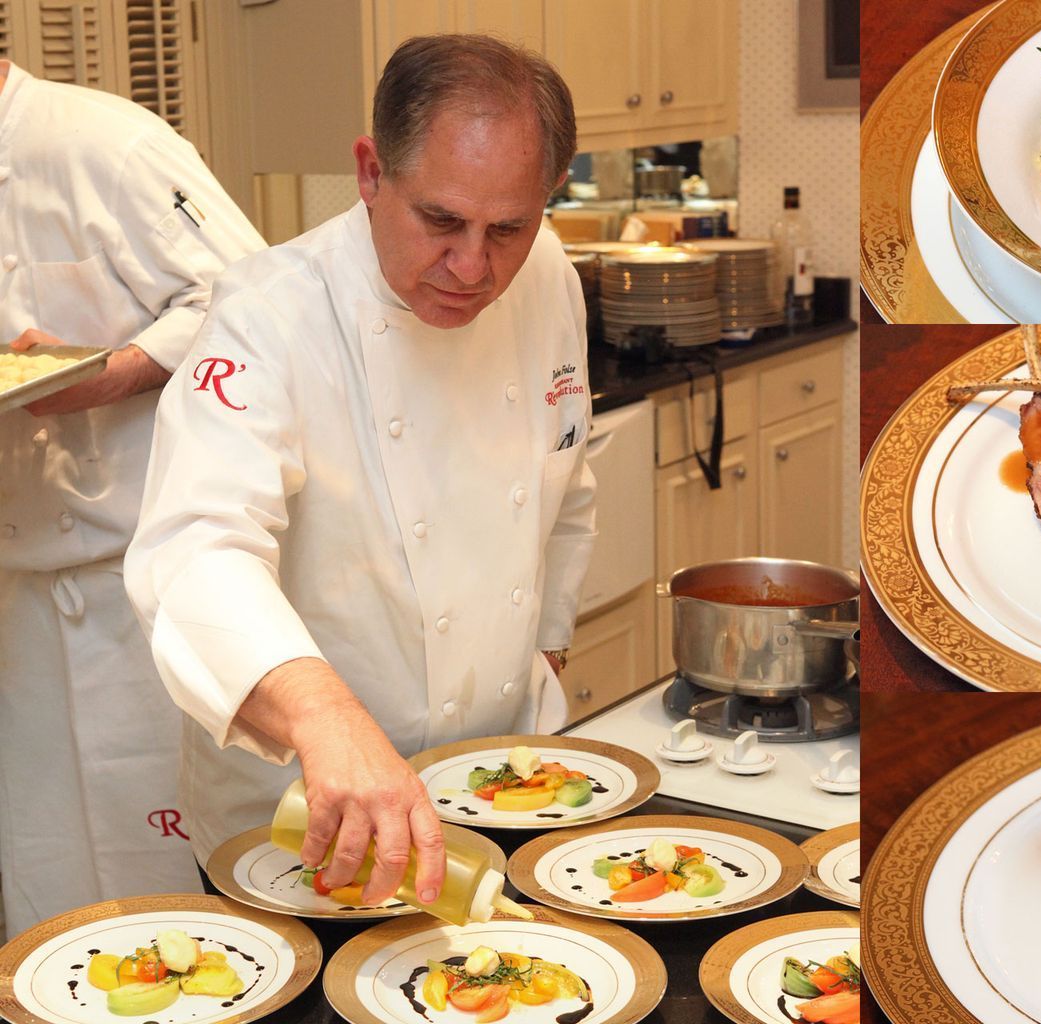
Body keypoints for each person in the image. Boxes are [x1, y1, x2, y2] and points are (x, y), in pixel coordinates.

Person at [124, 35, 596, 909]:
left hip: (501, 782)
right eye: (441, 221)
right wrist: (326, 721)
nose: (473, 267)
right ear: (371, 171)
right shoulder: (267, 314)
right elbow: (196, 550)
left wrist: (548, 645)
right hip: (304, 810)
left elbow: (568, 472)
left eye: (508, 229)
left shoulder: (551, 276)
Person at [0, 60, 265, 938]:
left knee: (166, 876)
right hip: (14, 593)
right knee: (41, 867)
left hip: (134, 584)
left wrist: (112, 370)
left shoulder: (107, 145)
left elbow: (248, 298)